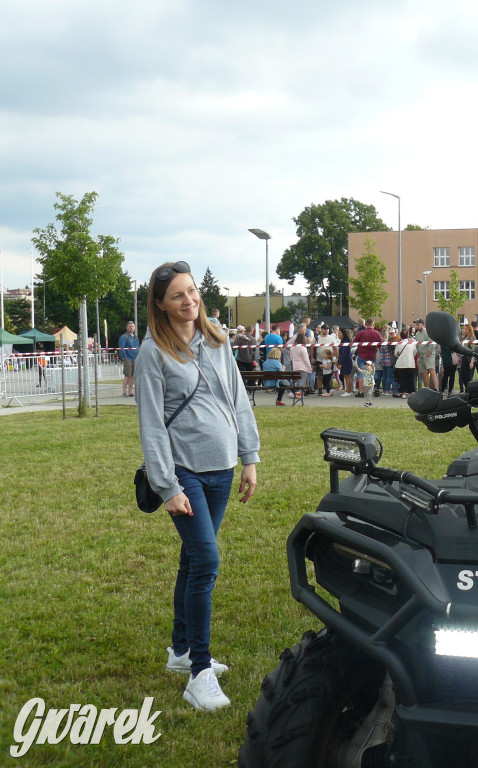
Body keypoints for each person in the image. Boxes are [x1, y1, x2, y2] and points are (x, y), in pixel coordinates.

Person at [135, 260, 259, 712]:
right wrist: (168, 487)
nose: (188, 301)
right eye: (177, 296)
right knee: (206, 560)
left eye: (192, 292)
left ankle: (181, 651)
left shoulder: (217, 339)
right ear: (160, 305)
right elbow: (151, 423)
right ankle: (199, 672)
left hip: (222, 466)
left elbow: (237, 399)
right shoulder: (154, 352)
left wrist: (249, 457)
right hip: (183, 470)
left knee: (192, 560)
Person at [353, 319, 382, 394]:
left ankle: (361, 392)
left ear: (365, 324)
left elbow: (354, 342)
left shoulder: (361, 333)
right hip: (372, 355)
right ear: (373, 324)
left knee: (361, 373)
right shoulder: (377, 333)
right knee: (371, 373)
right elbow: (380, 344)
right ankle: (371, 390)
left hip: (362, 355)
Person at [414, 319, 439, 390]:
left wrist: (428, 354)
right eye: (416, 325)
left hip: (429, 355)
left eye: (418, 325)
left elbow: (432, 344)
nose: (417, 326)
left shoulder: (427, 333)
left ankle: (436, 388)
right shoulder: (417, 334)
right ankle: (427, 388)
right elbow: (417, 344)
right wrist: (418, 352)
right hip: (421, 355)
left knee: (432, 371)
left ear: (423, 325)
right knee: (423, 373)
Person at [119, 320, 141, 397]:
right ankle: (124, 392)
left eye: (132, 326)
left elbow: (138, 348)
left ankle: (130, 391)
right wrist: (125, 357)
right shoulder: (124, 337)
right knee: (127, 376)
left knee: (132, 376)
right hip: (128, 358)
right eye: (130, 326)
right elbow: (122, 348)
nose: (131, 328)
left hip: (135, 358)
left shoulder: (136, 337)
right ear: (127, 327)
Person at [394, 329, 417, 397]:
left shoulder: (399, 343)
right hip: (410, 363)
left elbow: (396, 354)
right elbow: (415, 352)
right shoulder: (412, 343)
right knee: (410, 379)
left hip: (401, 364)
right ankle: (412, 393)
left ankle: (404, 393)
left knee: (402, 380)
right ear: (408, 335)